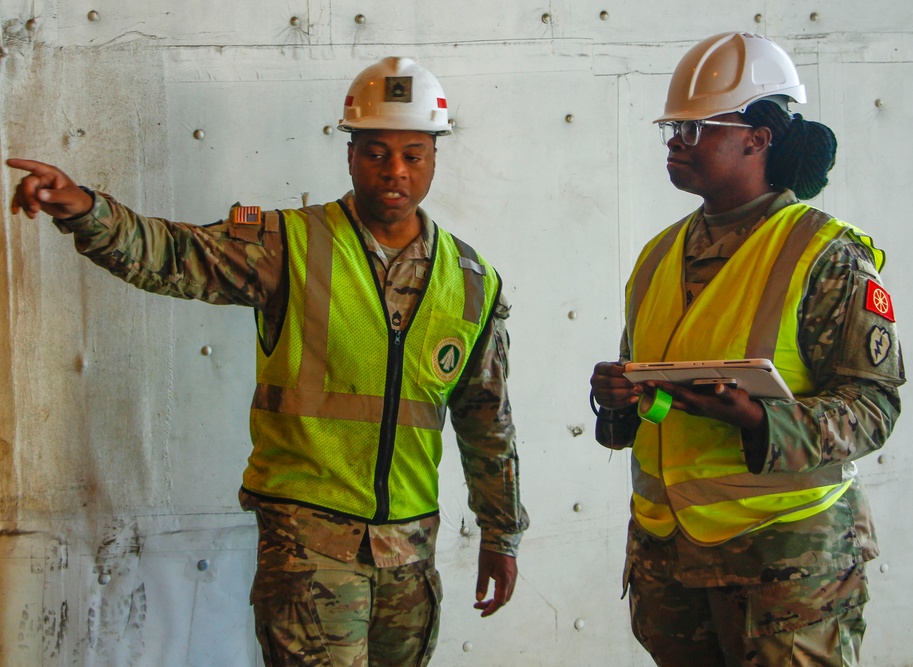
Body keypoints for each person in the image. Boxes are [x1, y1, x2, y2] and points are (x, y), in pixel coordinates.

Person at [8, 56, 528, 667]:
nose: (395, 171)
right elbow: (175, 255)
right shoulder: (290, 243)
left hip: (410, 553)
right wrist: (84, 209)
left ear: (436, 158)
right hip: (308, 547)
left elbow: (487, 422)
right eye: (375, 152)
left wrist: (501, 533)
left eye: (413, 154)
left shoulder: (470, 281)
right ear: (350, 153)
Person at [589, 32, 904, 666]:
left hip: (785, 572)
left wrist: (762, 422)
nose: (676, 142)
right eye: (672, 128)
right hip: (671, 562)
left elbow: (873, 407)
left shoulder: (826, 254)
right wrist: (622, 400)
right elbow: (656, 415)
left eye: (695, 127)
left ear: (758, 138)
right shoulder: (658, 257)